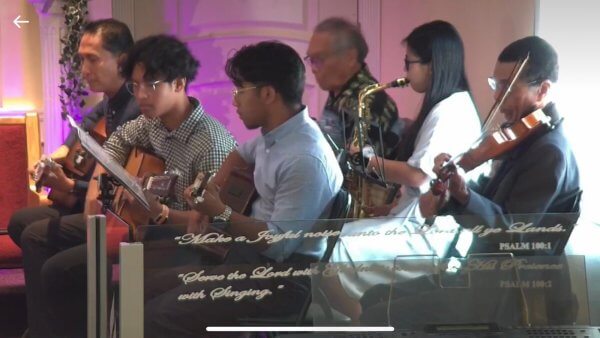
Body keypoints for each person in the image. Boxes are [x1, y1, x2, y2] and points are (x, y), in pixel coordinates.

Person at [20, 34, 237, 338]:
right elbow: (120, 139)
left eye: (151, 85)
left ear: (179, 83)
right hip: (145, 229)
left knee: (60, 270)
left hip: (178, 248)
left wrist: (159, 213)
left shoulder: (211, 145)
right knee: (41, 240)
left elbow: (213, 232)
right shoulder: (155, 122)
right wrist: (97, 186)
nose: (141, 96)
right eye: (135, 86)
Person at [361, 36, 582, 329]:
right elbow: (490, 197)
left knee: (378, 315)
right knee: (374, 297)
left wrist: (464, 196)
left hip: (507, 295)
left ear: (542, 90)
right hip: (478, 275)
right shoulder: (522, 139)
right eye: (496, 84)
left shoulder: (550, 153)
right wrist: (451, 192)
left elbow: (514, 234)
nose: (497, 97)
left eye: (508, 87)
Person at [143, 41, 343, 337]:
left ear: (267, 94)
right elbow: (241, 153)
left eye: (240, 91)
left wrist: (219, 212)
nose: (234, 101)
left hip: (280, 279)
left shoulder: (304, 158)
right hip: (247, 259)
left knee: (155, 316)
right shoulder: (280, 133)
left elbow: (277, 244)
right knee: (140, 288)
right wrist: (211, 189)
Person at [323, 20, 484, 321]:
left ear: (432, 65)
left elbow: (419, 176)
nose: (405, 72)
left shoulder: (451, 111)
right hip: (417, 222)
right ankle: (362, 318)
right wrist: (391, 208)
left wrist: (368, 160)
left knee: (334, 251)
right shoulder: (448, 106)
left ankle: (360, 322)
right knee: (334, 238)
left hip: (432, 237)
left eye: (409, 63)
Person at [8, 18, 139, 338]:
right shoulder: (107, 101)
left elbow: (123, 185)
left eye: (92, 58)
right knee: (21, 221)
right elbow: (69, 146)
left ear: (122, 60)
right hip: (93, 199)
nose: (83, 68)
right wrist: (50, 164)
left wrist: (71, 187)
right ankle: (59, 317)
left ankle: (48, 329)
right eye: (80, 58)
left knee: (36, 235)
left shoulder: (137, 107)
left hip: (123, 212)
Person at [307, 17, 401, 159]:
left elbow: (361, 174)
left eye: (319, 59)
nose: (313, 68)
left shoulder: (368, 101)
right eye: (311, 60)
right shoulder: (340, 90)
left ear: (350, 57)